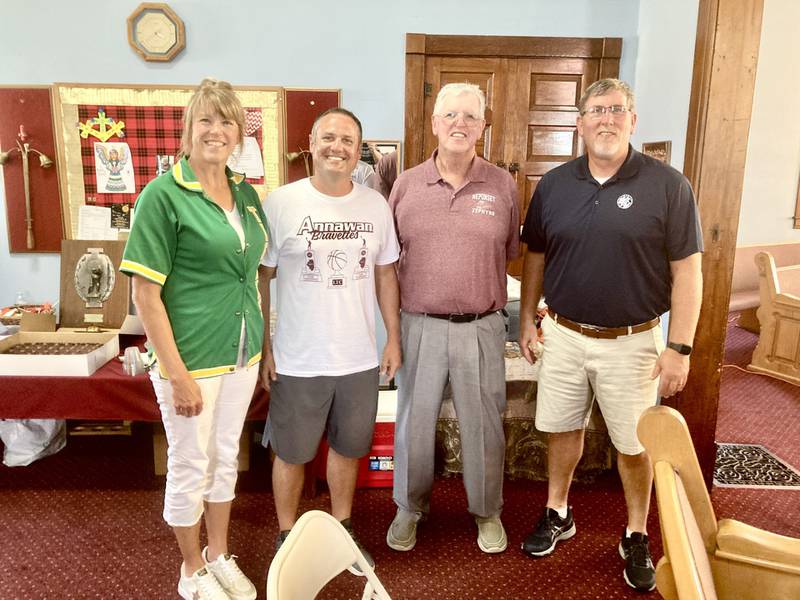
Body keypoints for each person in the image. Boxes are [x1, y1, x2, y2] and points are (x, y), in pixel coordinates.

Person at [517, 78, 703, 592]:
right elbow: (535, 255)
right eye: (596, 110)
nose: (607, 119)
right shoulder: (554, 185)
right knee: (561, 428)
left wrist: (679, 348)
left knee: (633, 442)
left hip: (634, 342)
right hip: (563, 335)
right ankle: (558, 511)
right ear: (579, 123)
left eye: (617, 110)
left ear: (632, 121)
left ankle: (636, 531)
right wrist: (526, 318)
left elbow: (688, 270)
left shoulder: (668, 186)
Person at [121, 78, 268, 600]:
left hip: (240, 352)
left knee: (226, 456)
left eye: (227, 121)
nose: (217, 130)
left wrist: (259, 345)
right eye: (206, 119)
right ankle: (190, 570)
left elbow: (250, 275)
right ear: (188, 129)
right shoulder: (161, 196)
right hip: (190, 360)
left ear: (238, 134)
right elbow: (145, 296)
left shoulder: (246, 193)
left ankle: (219, 554)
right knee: (190, 464)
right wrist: (177, 374)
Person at [258, 107, 401, 568]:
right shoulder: (281, 203)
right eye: (329, 138)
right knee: (292, 452)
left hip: (356, 357)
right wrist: (264, 346)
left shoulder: (375, 205)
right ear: (312, 143)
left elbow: (385, 276)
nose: (337, 147)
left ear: (358, 150)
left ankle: (343, 528)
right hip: (298, 358)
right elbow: (261, 279)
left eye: (348, 140)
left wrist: (392, 339)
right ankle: (286, 534)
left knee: (347, 448)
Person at [387, 82, 520, 554]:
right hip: (418, 325)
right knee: (414, 425)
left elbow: (508, 253)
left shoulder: (503, 185)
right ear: (434, 123)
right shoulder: (405, 184)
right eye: (451, 115)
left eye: (470, 116)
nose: (459, 124)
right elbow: (388, 261)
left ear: (483, 126)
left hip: (482, 326)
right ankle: (409, 507)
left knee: (484, 426)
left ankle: (487, 513)